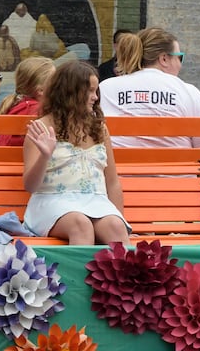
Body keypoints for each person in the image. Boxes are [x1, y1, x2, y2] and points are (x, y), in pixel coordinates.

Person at [22, 60, 130, 245]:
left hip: (96, 201)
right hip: (52, 201)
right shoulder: (42, 127)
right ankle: (77, 275)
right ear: (69, 93)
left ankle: (128, 274)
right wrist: (45, 156)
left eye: (96, 91)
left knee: (115, 227)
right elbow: (31, 186)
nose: (95, 97)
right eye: (89, 91)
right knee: (81, 224)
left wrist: (121, 218)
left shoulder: (99, 129)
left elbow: (112, 182)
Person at [100, 28, 200, 145]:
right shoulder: (188, 91)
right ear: (164, 58)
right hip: (180, 181)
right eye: (179, 57)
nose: (180, 65)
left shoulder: (105, 88)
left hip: (120, 180)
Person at [0, 57, 56, 147]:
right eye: (55, 82)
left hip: (4, 158)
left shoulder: (13, 105)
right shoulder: (39, 112)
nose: (59, 85)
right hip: (21, 160)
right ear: (41, 91)